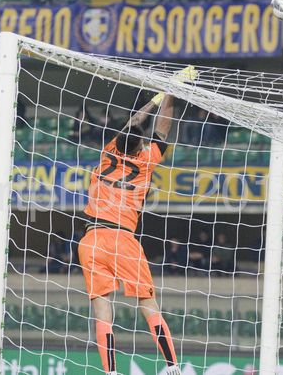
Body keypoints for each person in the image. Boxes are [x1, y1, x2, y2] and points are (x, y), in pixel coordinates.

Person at [77, 67, 196, 375]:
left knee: (102, 310)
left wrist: (154, 99)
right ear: (141, 146)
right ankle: (171, 366)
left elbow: (132, 125)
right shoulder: (145, 162)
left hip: (91, 240)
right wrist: (171, 91)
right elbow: (163, 130)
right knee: (147, 304)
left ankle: (111, 372)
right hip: (122, 239)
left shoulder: (108, 152)